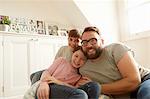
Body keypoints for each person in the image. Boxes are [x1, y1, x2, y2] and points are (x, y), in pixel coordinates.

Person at [79, 26, 150, 99]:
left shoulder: (115, 49)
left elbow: (133, 82)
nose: (89, 45)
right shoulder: (83, 68)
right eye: (84, 42)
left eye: (93, 40)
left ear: (102, 41)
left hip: (143, 81)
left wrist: (95, 88)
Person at [24, 48, 100, 99]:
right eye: (76, 56)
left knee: (96, 86)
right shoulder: (61, 61)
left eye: (82, 59)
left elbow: (73, 89)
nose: (77, 60)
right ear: (72, 54)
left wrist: (59, 82)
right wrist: (43, 83)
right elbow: (47, 72)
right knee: (81, 95)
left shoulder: (79, 76)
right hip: (50, 87)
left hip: (63, 91)